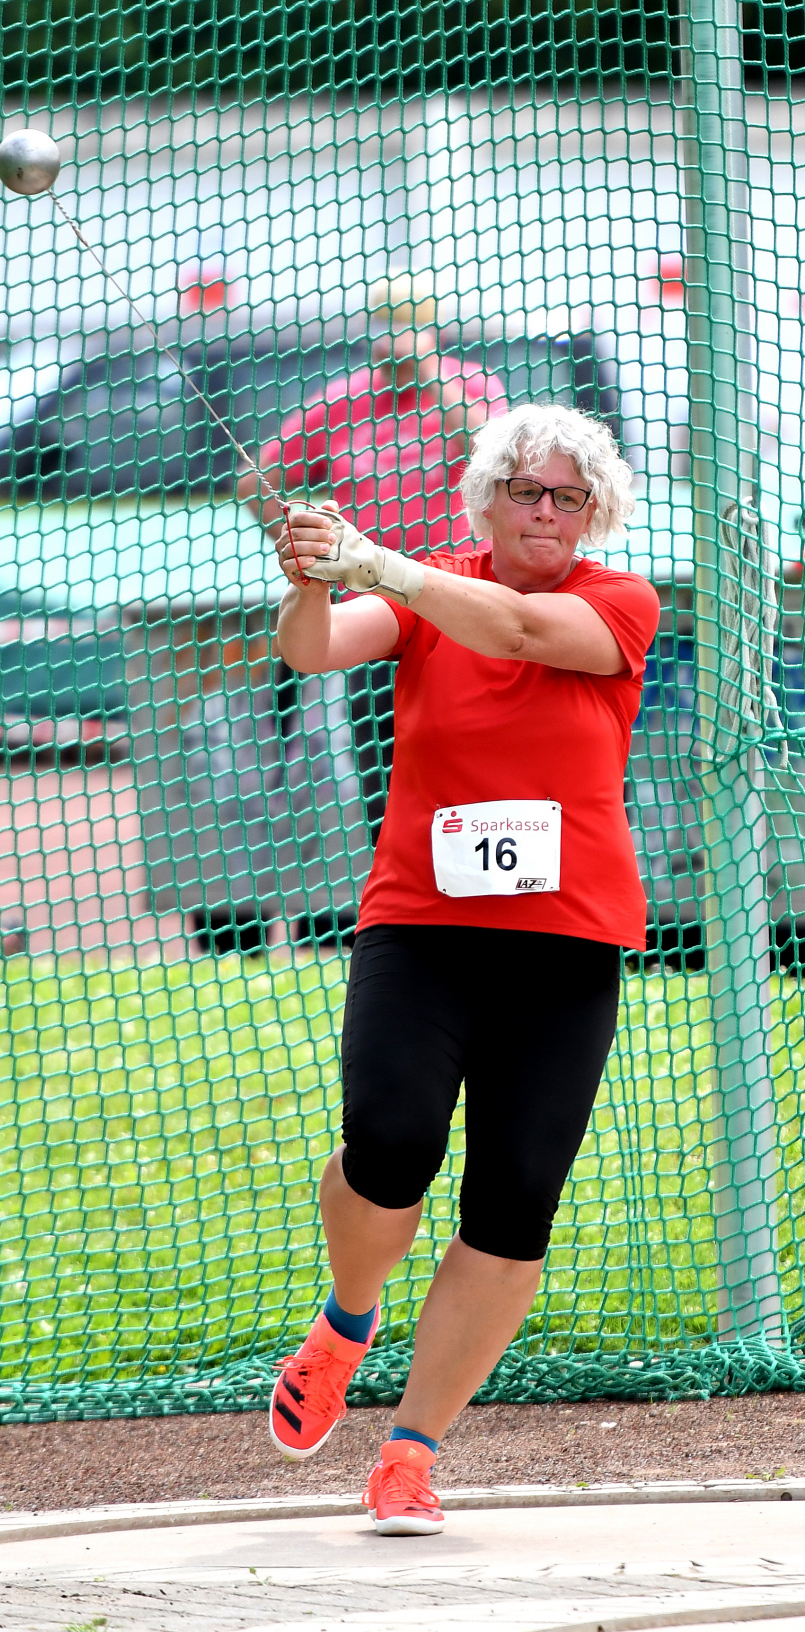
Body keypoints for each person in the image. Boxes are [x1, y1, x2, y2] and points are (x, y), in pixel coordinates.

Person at [266, 402, 660, 1535]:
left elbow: (521, 636)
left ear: (595, 513)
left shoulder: (613, 603)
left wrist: (370, 557)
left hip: (567, 940)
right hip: (422, 926)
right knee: (390, 1142)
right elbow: (315, 647)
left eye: (568, 497)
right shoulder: (420, 592)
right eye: (526, 491)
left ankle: (410, 1454)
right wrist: (309, 578)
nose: (546, 511)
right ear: (484, 500)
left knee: (513, 1204)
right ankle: (348, 1320)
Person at [239, 274, 507, 845]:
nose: (394, 344)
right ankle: (399, 872)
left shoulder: (468, 387)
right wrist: (300, 549)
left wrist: (432, 379)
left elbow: (495, 458)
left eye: (407, 327)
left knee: (472, 747)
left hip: (458, 601)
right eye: (385, 328)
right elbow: (255, 481)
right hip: (376, 609)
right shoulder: (343, 401)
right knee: (384, 755)